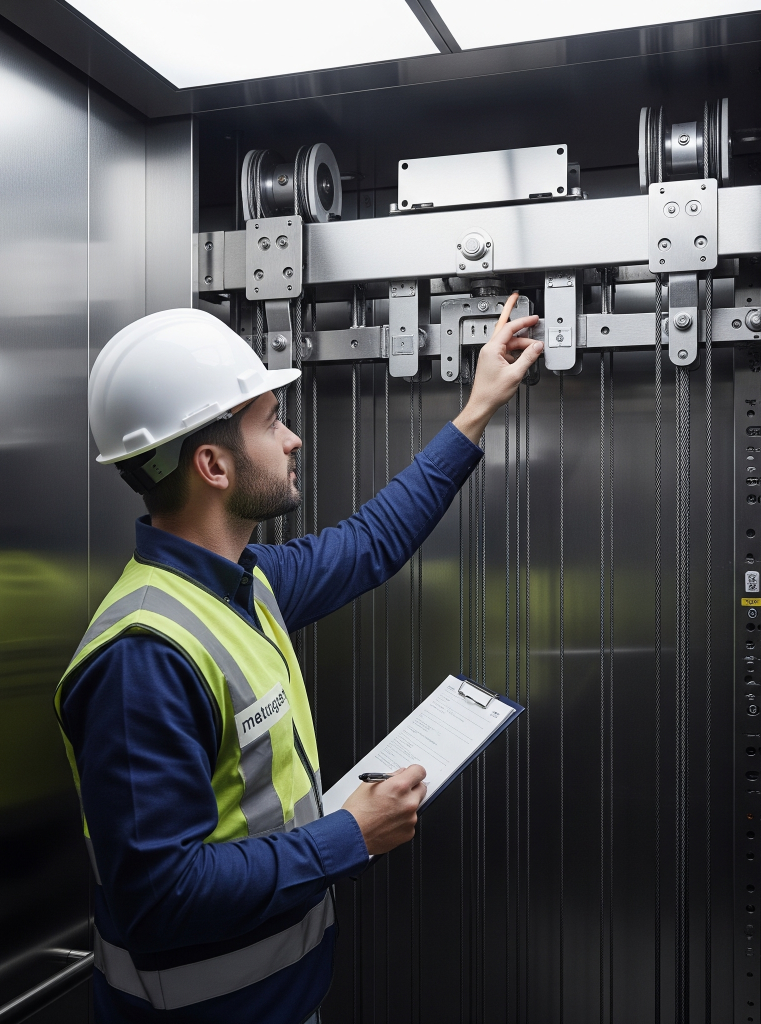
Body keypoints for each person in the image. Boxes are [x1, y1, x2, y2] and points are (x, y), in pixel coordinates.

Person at [55, 295, 542, 1023]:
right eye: (270, 420)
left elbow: (370, 544)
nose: (293, 440)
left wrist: (475, 411)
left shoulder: (247, 585)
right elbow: (160, 897)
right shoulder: (143, 658)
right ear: (213, 464)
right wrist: (348, 835)